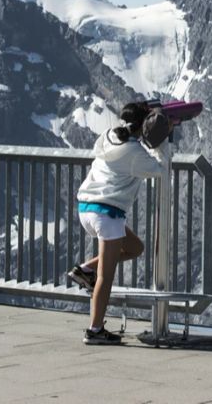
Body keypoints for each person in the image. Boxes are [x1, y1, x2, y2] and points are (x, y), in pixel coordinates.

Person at [67, 101, 171, 345]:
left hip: (86, 207)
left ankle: (84, 270)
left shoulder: (108, 136)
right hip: (107, 213)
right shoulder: (134, 154)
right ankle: (94, 330)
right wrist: (162, 139)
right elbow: (160, 169)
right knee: (106, 277)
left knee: (135, 248)